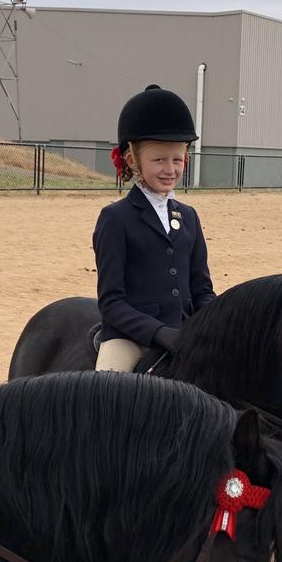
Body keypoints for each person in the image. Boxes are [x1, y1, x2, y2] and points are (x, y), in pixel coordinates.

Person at [92, 84, 216, 372]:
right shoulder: (115, 218)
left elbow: (201, 290)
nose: (170, 169)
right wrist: (160, 333)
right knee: (108, 396)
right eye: (159, 159)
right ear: (132, 159)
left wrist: (219, 319)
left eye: (177, 159)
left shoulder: (189, 217)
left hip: (185, 334)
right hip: (130, 339)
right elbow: (111, 303)